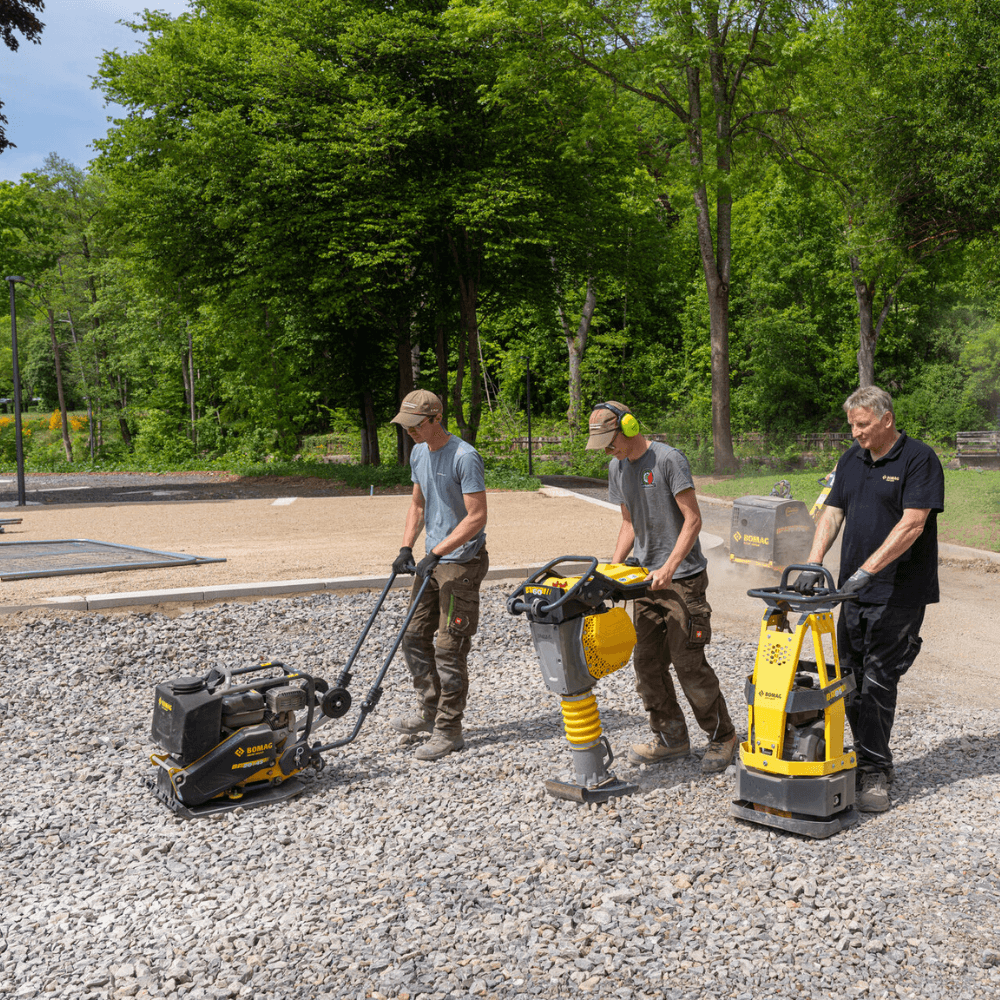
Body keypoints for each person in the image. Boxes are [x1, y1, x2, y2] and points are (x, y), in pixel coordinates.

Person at [796, 385, 944, 813]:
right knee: (849, 681)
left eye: (862, 425)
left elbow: (913, 524)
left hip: (899, 593)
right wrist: (813, 560)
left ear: (886, 420)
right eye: (852, 426)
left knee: (878, 682)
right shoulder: (851, 460)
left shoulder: (919, 459)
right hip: (853, 594)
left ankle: (876, 771)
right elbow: (832, 511)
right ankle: (861, 758)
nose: (856, 433)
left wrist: (866, 571)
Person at [586, 401, 738, 774]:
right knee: (647, 664)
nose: (608, 450)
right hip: (644, 582)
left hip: (682, 581)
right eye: (603, 445)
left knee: (689, 664)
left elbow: (693, 520)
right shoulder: (616, 467)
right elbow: (628, 524)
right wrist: (612, 569)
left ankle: (723, 737)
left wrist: (670, 566)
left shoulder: (669, 460)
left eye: (611, 441)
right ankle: (671, 738)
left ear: (629, 426)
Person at [388, 390, 489, 761]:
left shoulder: (464, 456)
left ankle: (449, 730)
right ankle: (429, 711)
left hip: (461, 562)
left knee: (449, 647)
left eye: (415, 425)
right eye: (406, 426)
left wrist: (438, 551)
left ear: (435, 419)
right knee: (412, 636)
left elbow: (476, 516)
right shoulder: (419, 452)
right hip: (432, 558)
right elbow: (418, 503)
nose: (410, 432)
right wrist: (405, 549)